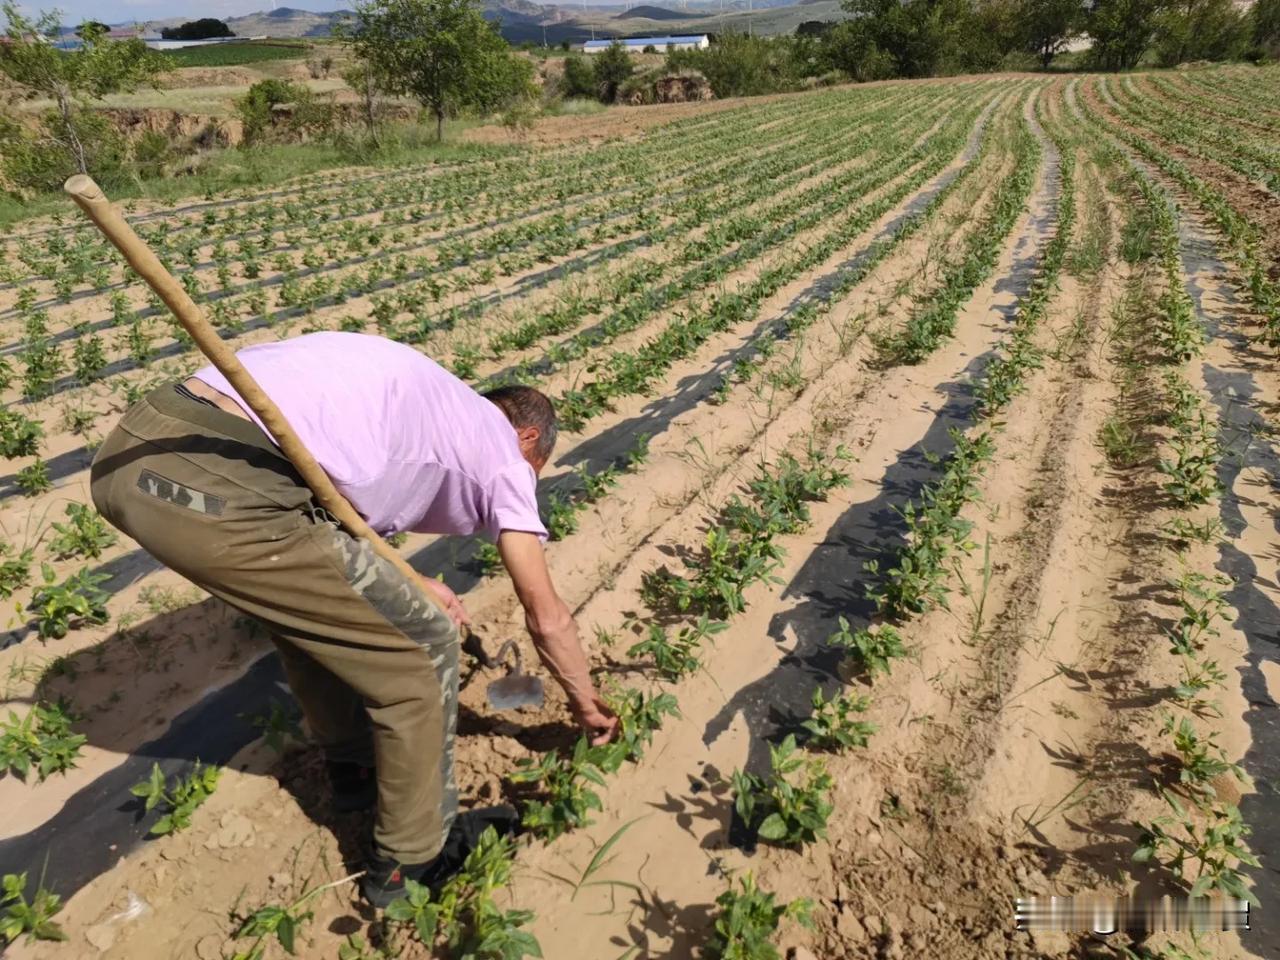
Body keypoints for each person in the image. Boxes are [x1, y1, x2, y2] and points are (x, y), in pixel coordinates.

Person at [89, 331, 618, 907]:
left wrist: (414, 580)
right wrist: (585, 704)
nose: (529, 481)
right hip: (213, 481)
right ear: (528, 437)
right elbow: (547, 617)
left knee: (315, 622)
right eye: (537, 468)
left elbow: (339, 526)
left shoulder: (428, 404)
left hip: (140, 443)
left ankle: (354, 772)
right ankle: (412, 862)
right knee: (423, 648)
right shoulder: (502, 454)